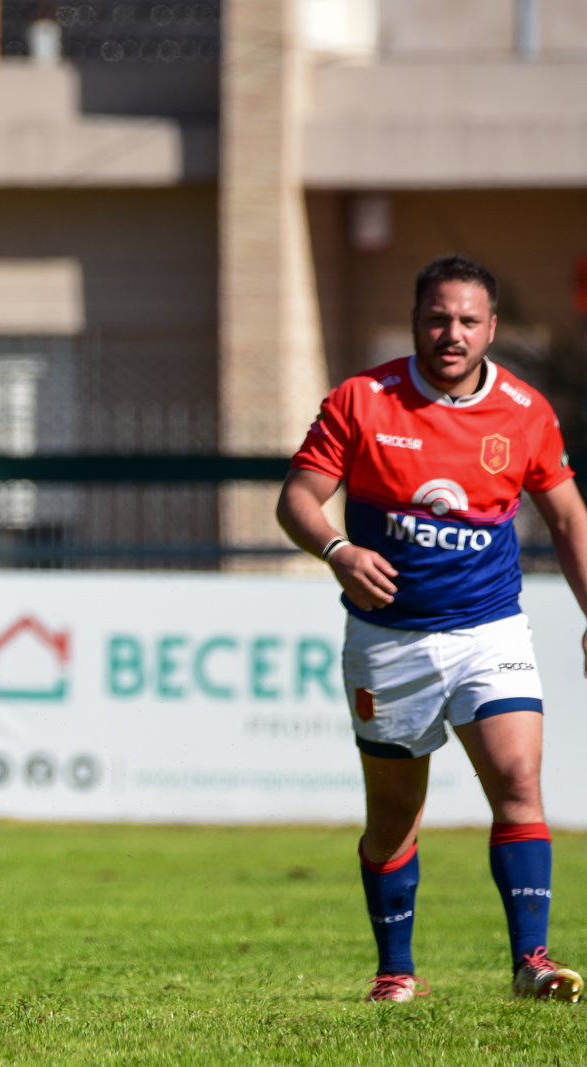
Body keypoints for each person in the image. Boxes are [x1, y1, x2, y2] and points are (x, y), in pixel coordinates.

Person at [276, 255, 587, 1004]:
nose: (453, 333)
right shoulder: (362, 400)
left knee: (518, 780)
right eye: (438, 318)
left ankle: (532, 963)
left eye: (468, 320)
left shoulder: (524, 410)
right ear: (416, 321)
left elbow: (569, 516)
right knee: (393, 813)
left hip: (490, 631)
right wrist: (338, 550)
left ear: (491, 328)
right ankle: (395, 971)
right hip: (388, 641)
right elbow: (298, 499)